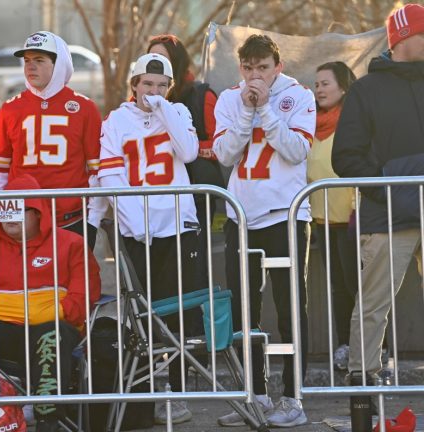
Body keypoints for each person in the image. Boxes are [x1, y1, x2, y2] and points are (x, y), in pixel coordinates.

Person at [212, 34, 314, 428]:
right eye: (248, 68)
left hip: (285, 214)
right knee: (244, 312)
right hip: (242, 215)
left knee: (291, 308)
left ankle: (293, 398)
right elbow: (223, 154)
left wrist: (267, 109)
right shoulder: (228, 98)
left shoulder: (298, 95)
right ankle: (253, 395)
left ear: (278, 67)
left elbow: (296, 151)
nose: (255, 75)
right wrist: (245, 112)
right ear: (241, 68)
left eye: (263, 68)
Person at [0, 174, 101, 432]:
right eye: (6, 208)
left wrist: (44, 312)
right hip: (1, 330)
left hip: (50, 330)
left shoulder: (71, 245)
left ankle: (48, 420)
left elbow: (83, 298)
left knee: (52, 334)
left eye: (19, 209)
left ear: (38, 213)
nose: (10, 216)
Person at [98, 52, 201, 424]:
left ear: (169, 88)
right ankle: (145, 391)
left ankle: (176, 391)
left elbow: (188, 152)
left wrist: (164, 109)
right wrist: (133, 221)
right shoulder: (116, 120)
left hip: (176, 226)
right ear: (134, 86)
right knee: (140, 316)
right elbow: (110, 175)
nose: (153, 91)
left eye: (161, 86)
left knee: (177, 312)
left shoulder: (178, 114)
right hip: (136, 230)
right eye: (147, 85)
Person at [332, 3, 424, 384]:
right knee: (373, 306)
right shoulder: (365, 90)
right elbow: (345, 157)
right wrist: (391, 188)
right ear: (405, 37)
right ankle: (362, 386)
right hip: (386, 218)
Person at [0, 31, 101, 249]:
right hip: (24, 220)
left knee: (72, 281)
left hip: (72, 219)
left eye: (39, 60)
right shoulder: (11, 108)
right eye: (27, 61)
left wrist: (93, 220)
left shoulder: (85, 108)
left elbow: (96, 170)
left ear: (58, 64)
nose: (30, 67)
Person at [306, 61, 358, 371]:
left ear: (343, 87)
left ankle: (380, 349)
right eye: (316, 84)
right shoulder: (310, 123)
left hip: (352, 220)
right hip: (323, 221)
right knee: (338, 287)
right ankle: (345, 345)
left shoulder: (353, 121)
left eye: (325, 83)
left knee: (359, 287)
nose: (319, 90)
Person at [147, 34, 223, 232]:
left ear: (176, 62)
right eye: (151, 58)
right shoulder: (138, 102)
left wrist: (184, 145)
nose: (156, 64)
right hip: (154, 197)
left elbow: (221, 146)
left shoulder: (201, 95)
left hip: (194, 196)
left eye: (163, 58)